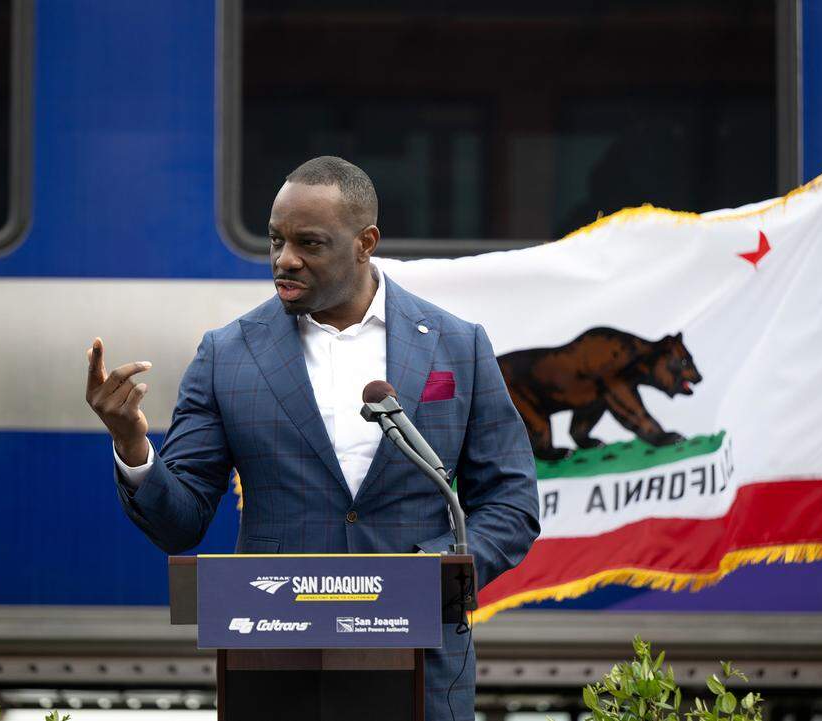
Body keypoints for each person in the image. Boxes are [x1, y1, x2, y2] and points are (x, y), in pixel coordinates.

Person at [85, 155, 540, 720]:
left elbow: (511, 504)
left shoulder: (457, 345)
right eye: (275, 240)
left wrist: (431, 571)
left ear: (365, 242)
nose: (285, 260)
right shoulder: (228, 353)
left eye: (309, 243)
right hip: (276, 669)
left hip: (422, 667)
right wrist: (133, 446)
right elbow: (180, 522)